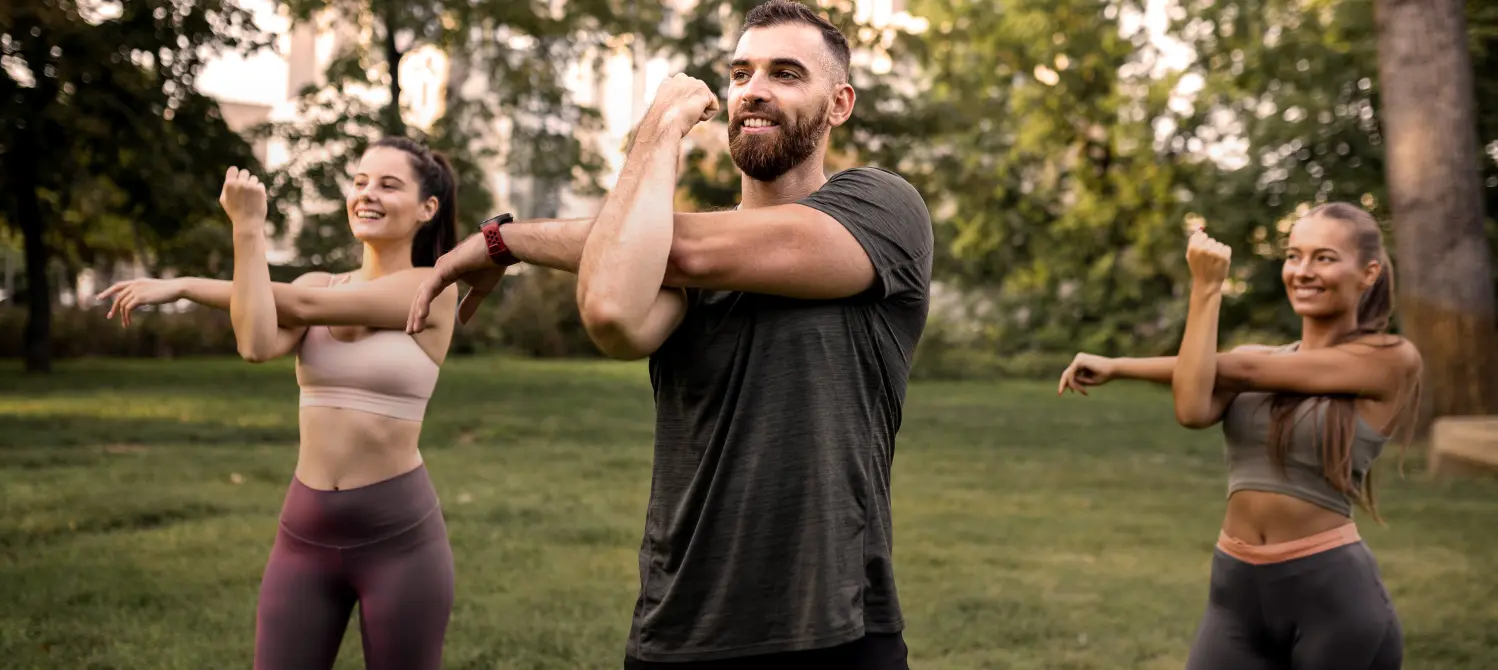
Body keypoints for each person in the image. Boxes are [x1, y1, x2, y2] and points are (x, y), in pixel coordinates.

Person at [405, 2, 932, 667]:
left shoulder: (881, 208)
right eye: (740, 74)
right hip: (681, 624)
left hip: (834, 625)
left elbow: (684, 251)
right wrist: (659, 127)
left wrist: (507, 240)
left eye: (787, 73)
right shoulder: (661, 253)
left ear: (840, 103)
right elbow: (612, 314)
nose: (755, 90)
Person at [97, 136, 507, 669]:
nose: (368, 195)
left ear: (428, 208)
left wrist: (182, 285)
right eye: (359, 182)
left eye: (388, 184)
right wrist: (246, 229)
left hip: (399, 539)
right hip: (305, 535)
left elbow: (305, 303)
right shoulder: (320, 281)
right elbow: (255, 342)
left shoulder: (435, 288)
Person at [1057, 202, 1422, 670]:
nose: (1303, 271)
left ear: (1368, 272)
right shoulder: (1254, 357)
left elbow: (1242, 370)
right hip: (1236, 590)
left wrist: (1124, 363)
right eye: (1294, 256)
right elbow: (1191, 407)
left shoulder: (1390, 358)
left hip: (1331, 597)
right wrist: (1203, 294)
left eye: (1324, 258)